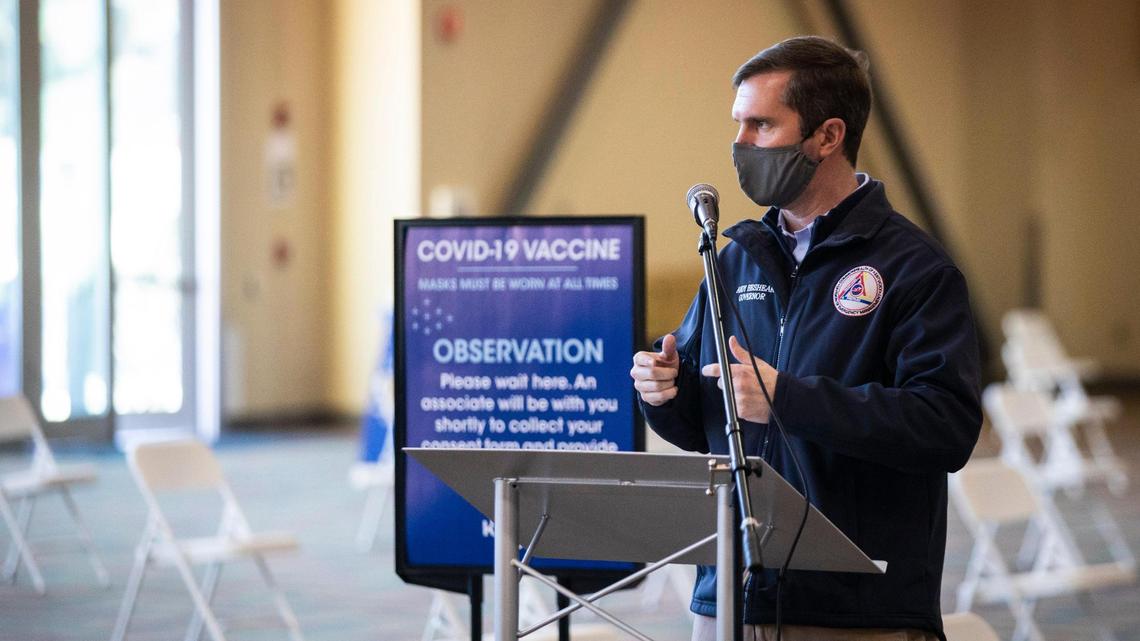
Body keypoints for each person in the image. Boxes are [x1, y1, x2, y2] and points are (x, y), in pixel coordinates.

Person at [630, 36, 981, 641]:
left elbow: (945, 427)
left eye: (761, 125)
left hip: (855, 609)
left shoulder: (915, 268)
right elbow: (703, 424)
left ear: (827, 136)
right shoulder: (735, 259)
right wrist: (663, 392)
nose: (740, 144)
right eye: (738, 124)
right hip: (730, 600)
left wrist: (788, 399)